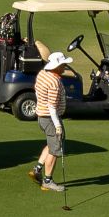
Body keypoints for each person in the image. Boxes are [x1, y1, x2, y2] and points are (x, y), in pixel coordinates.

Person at [31, 51, 73, 191]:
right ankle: (47, 181)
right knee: (56, 149)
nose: (65, 66)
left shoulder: (42, 73)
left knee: (51, 144)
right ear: (56, 66)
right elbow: (52, 107)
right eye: (63, 65)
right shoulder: (54, 83)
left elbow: (37, 92)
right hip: (50, 118)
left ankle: (37, 169)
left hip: (41, 117)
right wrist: (58, 126)